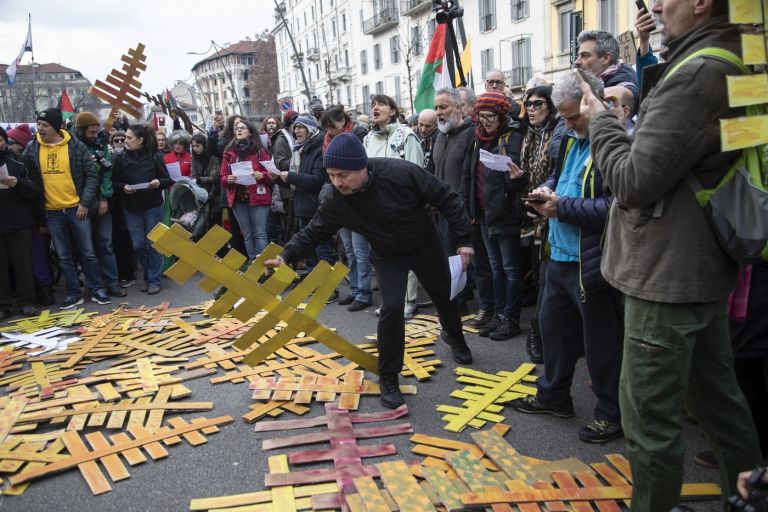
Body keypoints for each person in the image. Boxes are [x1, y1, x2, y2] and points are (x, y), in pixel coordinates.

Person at [582, 0, 762, 508]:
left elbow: (634, 182)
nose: (655, 5)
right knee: (720, 405)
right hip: (699, 267)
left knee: (649, 422)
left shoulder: (699, 71)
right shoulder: (737, 56)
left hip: (666, 275)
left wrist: (602, 121)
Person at [264, 133, 474, 409]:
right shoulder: (334, 198)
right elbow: (315, 231)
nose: (337, 182)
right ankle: (388, 375)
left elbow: (447, 197)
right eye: (331, 175)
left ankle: (454, 334)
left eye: (343, 175)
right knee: (391, 309)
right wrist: (286, 255)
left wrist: (463, 241)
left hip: (424, 244)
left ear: (362, 166)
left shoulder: (400, 173)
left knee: (444, 296)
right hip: (387, 254)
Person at [512, 71, 624, 447]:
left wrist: (565, 208)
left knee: (602, 344)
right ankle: (553, 396)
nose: (570, 123)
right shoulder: (571, 140)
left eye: (574, 116)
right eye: (564, 117)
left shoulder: (614, 143)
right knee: (553, 330)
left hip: (591, 263)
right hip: (558, 254)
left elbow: (619, 206)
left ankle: (611, 414)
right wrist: (549, 189)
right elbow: (563, 177)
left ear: (594, 103)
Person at [24, 108, 109, 309]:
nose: (41, 128)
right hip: (52, 211)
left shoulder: (74, 146)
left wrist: (85, 203)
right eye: (39, 124)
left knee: (88, 252)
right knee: (63, 255)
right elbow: (28, 176)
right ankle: (73, 293)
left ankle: (96, 288)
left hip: (77, 208)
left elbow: (91, 176)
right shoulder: (32, 147)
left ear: (56, 127)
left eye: (45, 125)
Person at [461, 92, 527, 341]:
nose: (485, 121)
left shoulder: (513, 136)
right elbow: (469, 173)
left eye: (490, 117)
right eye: (481, 116)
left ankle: (511, 318)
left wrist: (516, 178)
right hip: (484, 212)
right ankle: (499, 315)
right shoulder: (476, 137)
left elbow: (516, 176)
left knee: (510, 269)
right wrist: (471, 209)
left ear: (501, 116)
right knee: (495, 267)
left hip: (504, 212)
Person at [363, 94, 424, 318]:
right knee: (381, 257)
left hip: (402, 208)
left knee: (404, 256)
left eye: (380, 104)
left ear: (393, 110)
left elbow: (418, 173)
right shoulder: (368, 139)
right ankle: (391, 301)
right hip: (376, 210)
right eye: (373, 104)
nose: (375, 107)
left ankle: (409, 300)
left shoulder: (406, 135)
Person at [519, 85, 562, 364]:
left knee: (548, 281)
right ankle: (541, 334)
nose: (531, 110)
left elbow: (557, 174)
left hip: (555, 213)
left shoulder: (559, 134)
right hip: (533, 214)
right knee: (539, 279)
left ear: (551, 107)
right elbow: (527, 176)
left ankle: (539, 334)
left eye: (537, 104)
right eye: (528, 105)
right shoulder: (528, 136)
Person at [432, 88, 483, 319]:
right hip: (441, 208)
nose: (439, 112)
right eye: (436, 108)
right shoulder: (440, 134)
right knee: (446, 257)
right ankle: (454, 300)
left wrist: (468, 207)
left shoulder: (472, 134)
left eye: (443, 107)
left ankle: (466, 302)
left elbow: (471, 175)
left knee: (466, 259)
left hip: (462, 209)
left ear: (459, 108)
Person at [321, 105, 372, 312]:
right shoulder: (327, 141)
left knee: (360, 250)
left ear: (343, 122)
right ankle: (355, 287)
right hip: (340, 199)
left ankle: (364, 292)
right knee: (348, 249)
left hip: (358, 200)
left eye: (331, 126)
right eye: (326, 127)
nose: (329, 131)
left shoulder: (358, 135)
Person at [111, 124, 172, 295]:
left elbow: (167, 180)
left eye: (129, 138)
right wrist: (124, 188)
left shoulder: (155, 157)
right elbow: (115, 183)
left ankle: (154, 279)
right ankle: (147, 274)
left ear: (140, 140)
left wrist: (158, 183)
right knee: (138, 245)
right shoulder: (120, 158)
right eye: (125, 138)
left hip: (152, 206)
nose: (125, 141)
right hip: (131, 208)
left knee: (153, 244)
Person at [277, 114, 335, 289]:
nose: (296, 131)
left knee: (322, 249)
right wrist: (278, 178)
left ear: (310, 129)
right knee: (308, 249)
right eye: (295, 128)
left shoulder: (318, 148)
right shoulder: (298, 149)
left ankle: (327, 288)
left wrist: (291, 176)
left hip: (316, 205)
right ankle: (313, 283)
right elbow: (296, 180)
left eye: (300, 127)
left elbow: (317, 179)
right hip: (302, 205)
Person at [74, 112, 126, 299]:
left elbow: (107, 172)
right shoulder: (73, 146)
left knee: (106, 244)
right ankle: (94, 286)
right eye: (91, 132)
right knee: (87, 249)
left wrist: (105, 198)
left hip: (101, 202)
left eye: (97, 131)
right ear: (80, 130)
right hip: (80, 204)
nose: (95, 135)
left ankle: (112, 282)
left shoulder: (101, 144)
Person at [0, 126, 42, 319]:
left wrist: (18, 183)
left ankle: (26, 301)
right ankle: (3, 305)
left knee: (23, 263)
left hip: (18, 221)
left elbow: (35, 188)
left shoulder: (19, 160)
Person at [220, 119, 273, 261]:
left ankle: (263, 267)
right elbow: (223, 177)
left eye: (243, 128)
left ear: (250, 132)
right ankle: (251, 263)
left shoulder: (260, 151)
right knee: (247, 234)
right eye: (237, 128)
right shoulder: (229, 152)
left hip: (259, 197)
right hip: (238, 198)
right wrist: (228, 179)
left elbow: (271, 174)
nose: (239, 130)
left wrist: (263, 175)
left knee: (260, 233)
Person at [574, 30, 640, 115]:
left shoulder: (625, 85)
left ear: (606, 58)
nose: (577, 61)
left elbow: (627, 95)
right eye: (578, 56)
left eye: (585, 55)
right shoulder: (589, 83)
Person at [271, 111, 298, 245]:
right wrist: (299, 161)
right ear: (289, 124)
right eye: (296, 125)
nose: (298, 128)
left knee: (296, 225)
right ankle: (289, 258)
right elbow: (280, 163)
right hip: (287, 188)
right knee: (290, 225)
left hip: (295, 185)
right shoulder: (282, 139)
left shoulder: (293, 138)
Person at [190, 132, 221, 229]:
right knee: (202, 224)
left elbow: (214, 177)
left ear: (204, 145)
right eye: (194, 146)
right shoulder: (194, 158)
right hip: (200, 195)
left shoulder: (213, 157)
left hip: (214, 194)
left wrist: (199, 180)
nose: (196, 149)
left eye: (198, 146)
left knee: (215, 224)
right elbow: (193, 173)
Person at [417, 109, 438, 175]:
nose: (423, 130)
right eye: (421, 125)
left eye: (428, 126)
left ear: (436, 125)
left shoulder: (440, 140)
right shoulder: (415, 137)